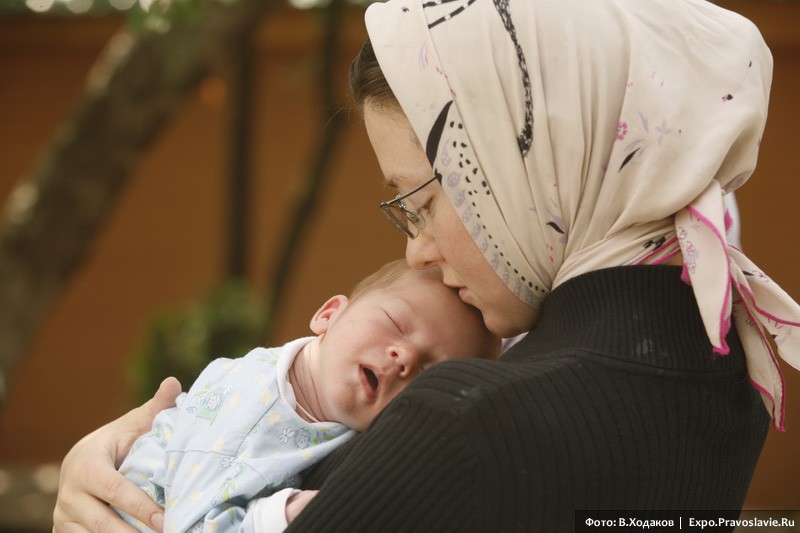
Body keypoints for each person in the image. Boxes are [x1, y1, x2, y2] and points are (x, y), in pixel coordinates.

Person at [54, 0, 800, 530]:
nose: (417, 250)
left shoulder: (464, 421)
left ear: (528, 164)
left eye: (420, 200)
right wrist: (142, 455)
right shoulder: (730, 378)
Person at [111, 259, 500, 532]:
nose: (406, 358)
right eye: (396, 323)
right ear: (328, 315)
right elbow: (189, 525)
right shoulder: (255, 405)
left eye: (432, 372)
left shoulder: (330, 414)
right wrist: (284, 515)